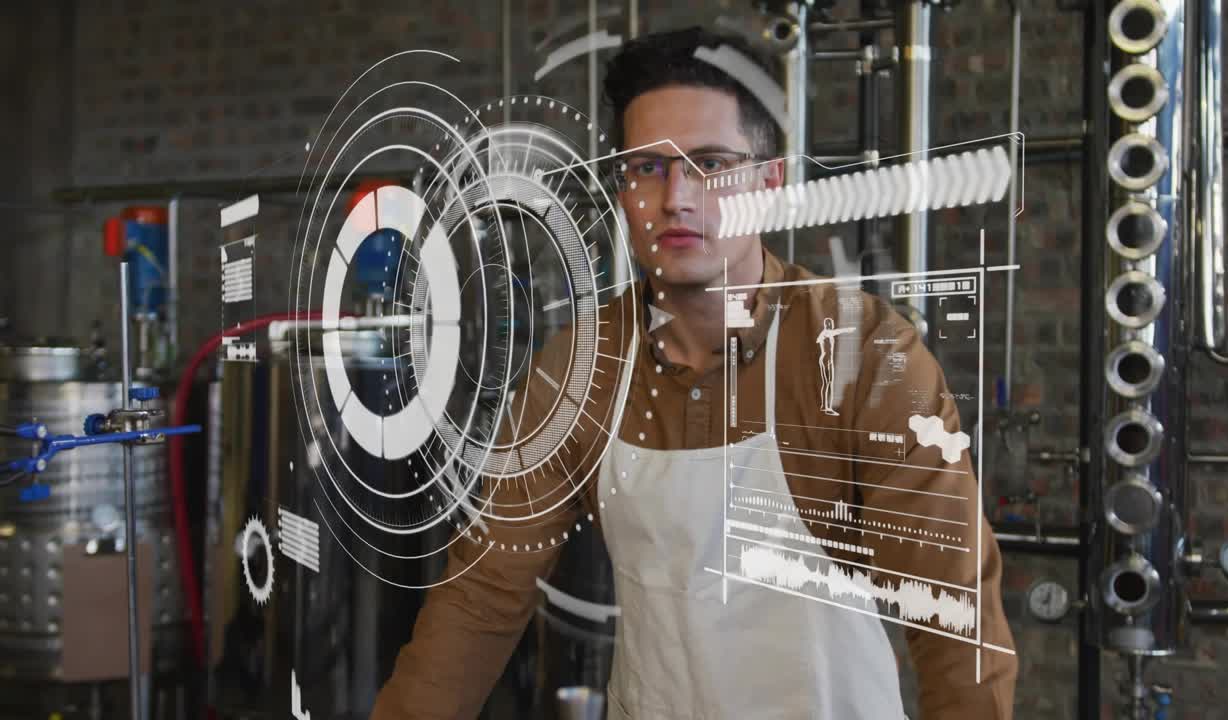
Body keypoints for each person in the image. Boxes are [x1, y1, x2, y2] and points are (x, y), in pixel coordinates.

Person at [372, 26, 1016, 720]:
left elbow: (954, 620)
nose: (676, 197)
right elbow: (483, 594)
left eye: (708, 163)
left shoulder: (866, 358)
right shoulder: (581, 370)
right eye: (647, 167)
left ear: (769, 182)